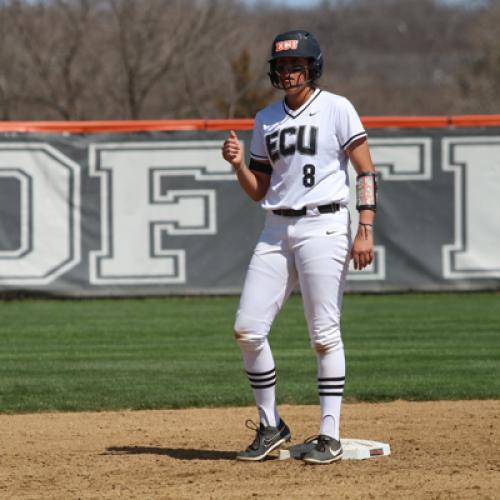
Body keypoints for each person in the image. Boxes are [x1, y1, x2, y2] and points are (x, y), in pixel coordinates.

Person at [222, 29, 376, 465]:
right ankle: (271, 426)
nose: (289, 72)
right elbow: (258, 190)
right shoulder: (265, 119)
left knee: (324, 335)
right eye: (283, 66)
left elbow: (365, 172)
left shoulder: (336, 108)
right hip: (275, 228)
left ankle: (330, 434)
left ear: (312, 68)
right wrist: (237, 165)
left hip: (325, 225)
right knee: (247, 330)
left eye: (297, 65)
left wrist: (365, 227)